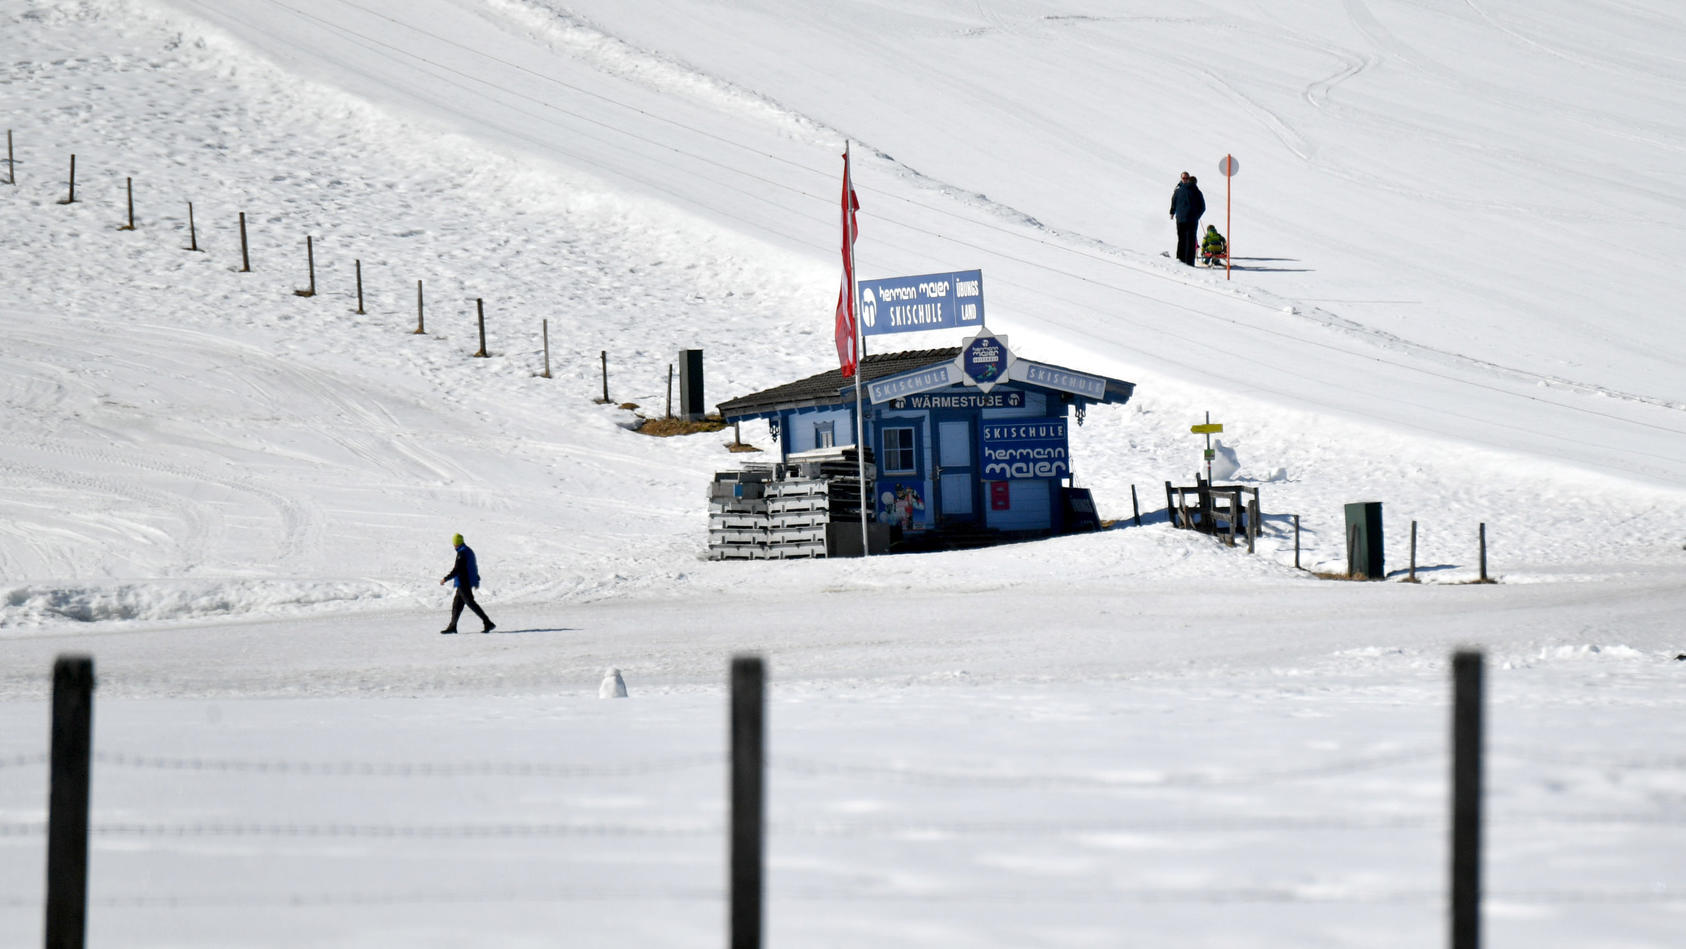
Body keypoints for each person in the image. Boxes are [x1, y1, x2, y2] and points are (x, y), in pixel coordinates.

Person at [439, 532, 495, 634]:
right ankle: (452, 626)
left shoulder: (462, 553)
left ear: (457, 543)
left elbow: (457, 570)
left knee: (470, 603)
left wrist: (445, 579)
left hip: (463, 582)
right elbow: (472, 565)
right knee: (457, 605)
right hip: (465, 581)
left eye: (454, 543)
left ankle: (488, 622)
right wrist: (475, 576)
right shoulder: (468, 551)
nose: (453, 546)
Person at [1169, 171, 1206, 265]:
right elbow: (1202, 207)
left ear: (1188, 179)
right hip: (1186, 220)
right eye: (1183, 178)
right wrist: (1172, 212)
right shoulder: (1190, 191)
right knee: (1186, 240)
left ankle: (1184, 262)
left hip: (1186, 219)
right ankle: (1185, 262)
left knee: (1185, 240)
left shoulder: (1186, 190)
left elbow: (1202, 207)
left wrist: (1196, 216)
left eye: (1186, 178)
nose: (1184, 180)